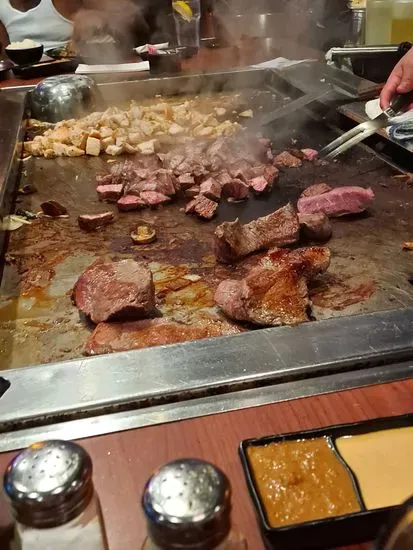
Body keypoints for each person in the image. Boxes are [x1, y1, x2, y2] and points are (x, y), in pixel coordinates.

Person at [0, 0, 152, 54]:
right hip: (23, 85)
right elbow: (7, 58)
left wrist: (104, 19)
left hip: (80, 74)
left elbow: (135, 18)